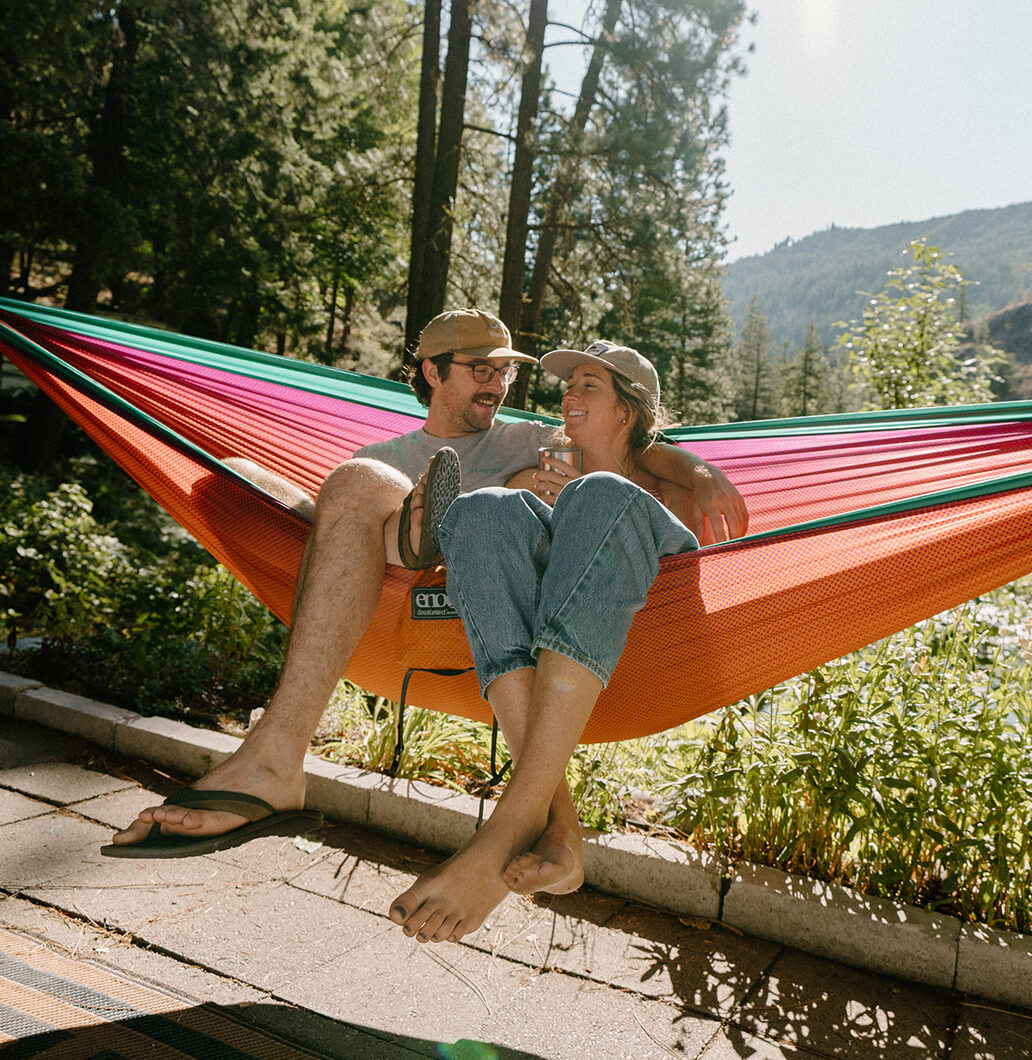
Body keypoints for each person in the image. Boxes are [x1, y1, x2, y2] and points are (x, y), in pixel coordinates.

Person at [105, 311, 747, 860]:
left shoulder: (535, 439)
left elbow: (626, 448)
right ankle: (411, 532)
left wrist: (694, 464)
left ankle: (426, 534)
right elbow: (320, 526)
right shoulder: (385, 456)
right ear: (433, 373)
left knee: (456, 502)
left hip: (489, 579)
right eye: (480, 368)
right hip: (387, 573)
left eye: (507, 371)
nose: (498, 384)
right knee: (309, 483)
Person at [387, 340, 740, 944]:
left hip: (649, 628)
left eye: (588, 386)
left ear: (628, 411)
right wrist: (551, 507)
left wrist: (694, 473)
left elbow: (700, 554)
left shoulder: (674, 487)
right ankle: (561, 831)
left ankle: (512, 823)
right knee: (481, 511)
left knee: (601, 496)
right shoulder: (545, 471)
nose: (568, 397)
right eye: (567, 386)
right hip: (550, 634)